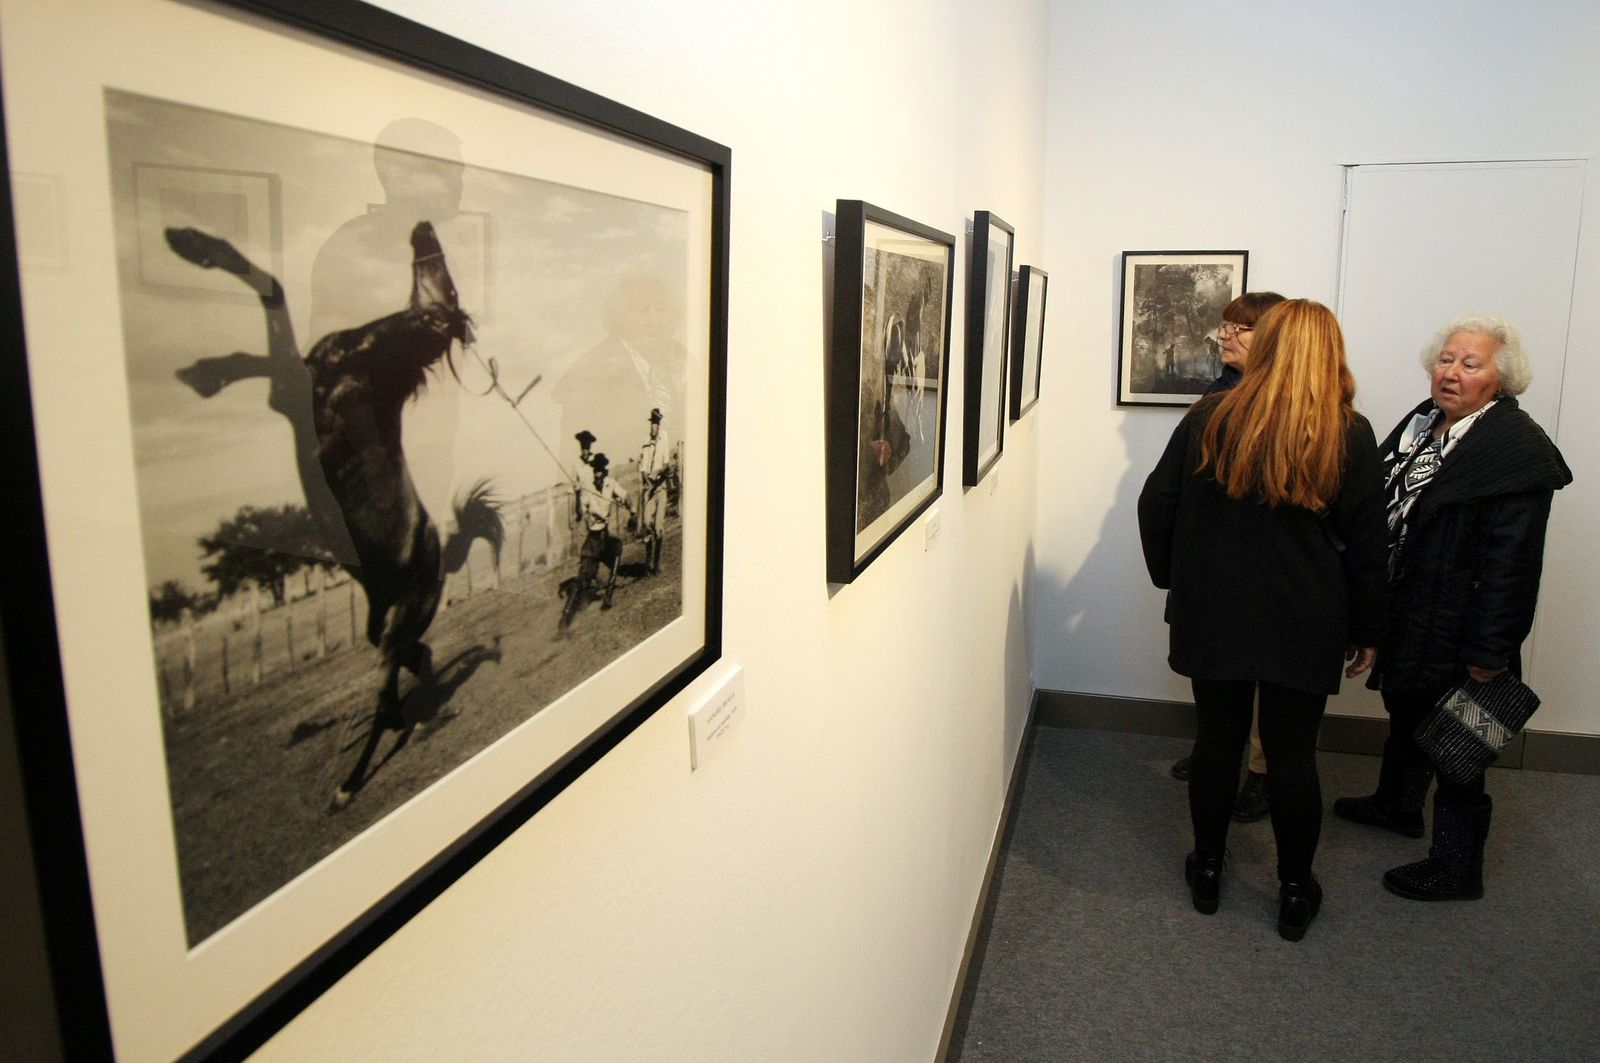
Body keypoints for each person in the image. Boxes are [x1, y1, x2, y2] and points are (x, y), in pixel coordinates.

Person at [1138, 299, 1389, 941]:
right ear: (1328, 355)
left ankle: (1209, 870)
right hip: (1306, 618)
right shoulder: (1348, 432)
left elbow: (1155, 504)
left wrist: (1178, 581)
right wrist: (1367, 629)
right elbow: (1366, 546)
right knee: (1292, 755)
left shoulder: (1210, 418)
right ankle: (1295, 890)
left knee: (1218, 744)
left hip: (1214, 612)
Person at [1334, 313, 1571, 901]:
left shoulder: (1514, 450)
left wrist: (1491, 651)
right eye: (1446, 359)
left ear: (1501, 379)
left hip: (1461, 627)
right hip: (1411, 612)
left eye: (1471, 364)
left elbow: (1513, 566)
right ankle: (1397, 805)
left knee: (1462, 751)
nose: (1452, 373)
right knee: (1406, 713)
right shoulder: (1421, 425)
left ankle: (1457, 868)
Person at [1169, 291, 1286, 826]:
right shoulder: (1220, 391)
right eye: (1224, 326)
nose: (1225, 336)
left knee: (1266, 683)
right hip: (1218, 572)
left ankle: (1261, 772)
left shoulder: (1290, 405)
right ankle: (1222, 752)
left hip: (1267, 577)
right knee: (1220, 678)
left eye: (1240, 329)